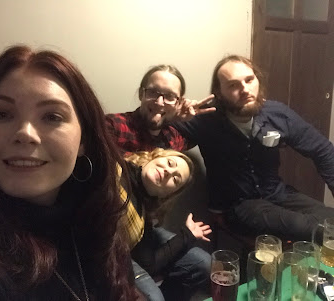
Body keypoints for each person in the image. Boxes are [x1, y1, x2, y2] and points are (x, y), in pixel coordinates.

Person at [0, 45, 140, 300]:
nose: (25, 133)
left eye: (52, 116)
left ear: (83, 140)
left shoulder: (100, 222)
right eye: (1, 114)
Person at [174, 54, 334, 241]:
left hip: (277, 194)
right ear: (219, 92)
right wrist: (174, 115)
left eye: (249, 80)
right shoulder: (205, 119)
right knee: (307, 227)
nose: (245, 89)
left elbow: (322, 149)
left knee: (330, 220)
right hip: (236, 206)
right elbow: (154, 133)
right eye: (233, 85)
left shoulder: (277, 113)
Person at [119, 148, 212, 301]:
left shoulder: (143, 213)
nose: (169, 171)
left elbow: (149, 263)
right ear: (154, 156)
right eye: (170, 163)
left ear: (168, 194)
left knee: (203, 264)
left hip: (127, 248)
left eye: (175, 180)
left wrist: (187, 235)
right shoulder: (117, 169)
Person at [106, 64, 215, 155]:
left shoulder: (173, 137)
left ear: (179, 102)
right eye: (152, 92)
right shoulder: (114, 126)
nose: (159, 102)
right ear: (141, 94)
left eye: (170, 96)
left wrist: (176, 117)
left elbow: (201, 135)